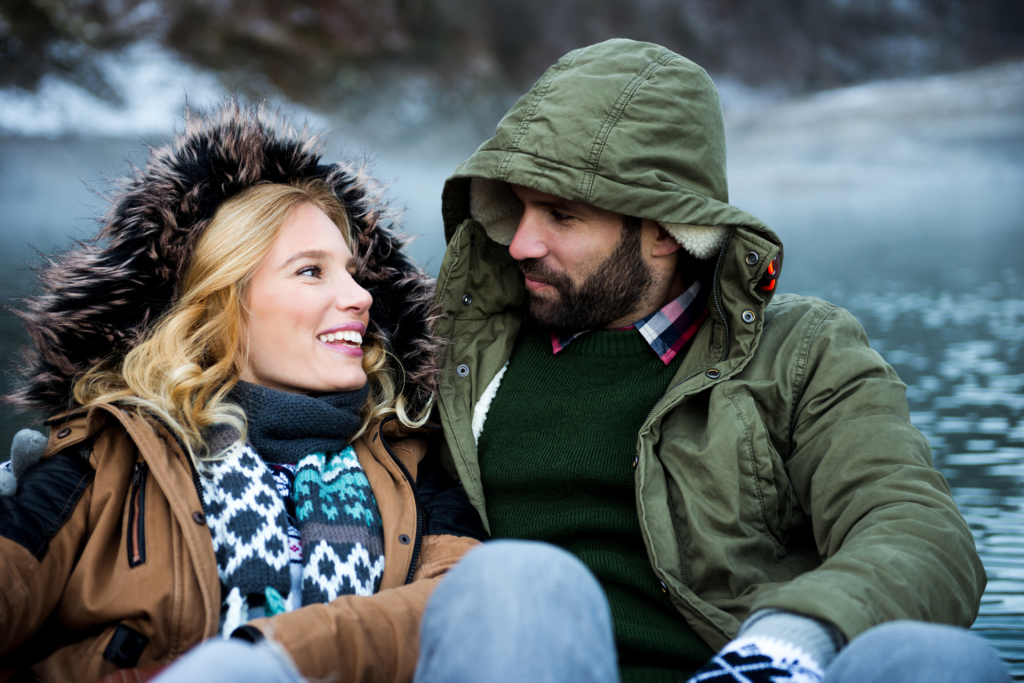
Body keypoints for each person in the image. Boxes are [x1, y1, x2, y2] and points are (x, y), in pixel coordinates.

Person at [423, 39, 1010, 682]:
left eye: (561, 214)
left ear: (668, 230)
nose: (521, 242)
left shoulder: (803, 353)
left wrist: (792, 638)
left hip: (741, 674)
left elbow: (919, 533)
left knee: (944, 661)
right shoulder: (453, 353)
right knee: (511, 580)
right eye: (518, 207)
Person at [0, 101, 486, 683]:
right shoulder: (104, 459)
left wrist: (262, 660)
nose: (360, 296)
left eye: (354, 272)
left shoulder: (410, 464)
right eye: (312, 271)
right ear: (224, 304)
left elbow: (467, 612)